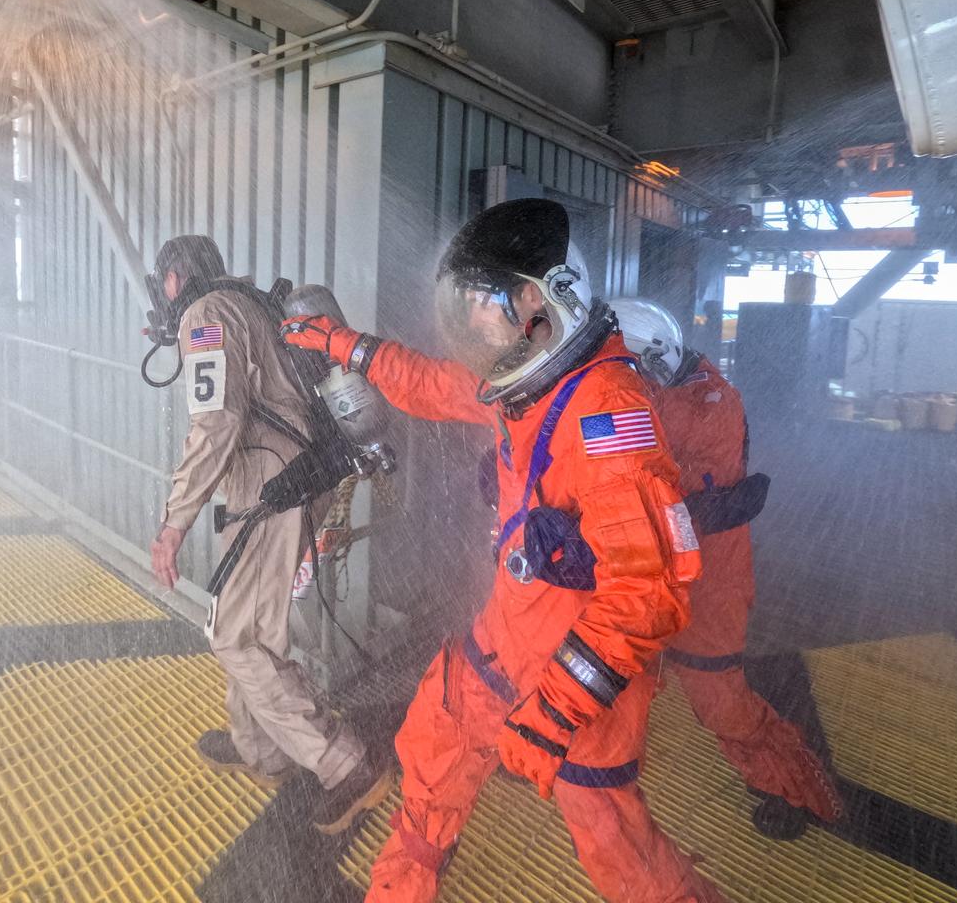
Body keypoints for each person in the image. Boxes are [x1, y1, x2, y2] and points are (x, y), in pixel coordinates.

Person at [283, 200, 725, 903]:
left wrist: (555, 709)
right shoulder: (524, 387)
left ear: (538, 300)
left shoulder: (608, 415)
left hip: (582, 679)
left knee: (611, 835)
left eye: (479, 312)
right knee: (434, 747)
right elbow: (428, 383)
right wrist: (340, 344)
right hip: (507, 643)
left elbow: (648, 593)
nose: (470, 332)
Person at [148, 235, 390, 834]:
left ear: (176, 279)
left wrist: (173, 523)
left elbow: (217, 422)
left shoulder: (206, 315)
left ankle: (346, 764)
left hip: (269, 486)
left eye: (165, 285)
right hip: (283, 478)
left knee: (239, 639)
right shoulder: (247, 303)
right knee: (240, 620)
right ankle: (262, 747)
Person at [612, 298, 844, 838]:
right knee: (612, 690)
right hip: (642, 575)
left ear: (651, 360)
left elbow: (679, 491)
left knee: (720, 702)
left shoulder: (712, 401)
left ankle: (788, 784)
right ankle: (602, 788)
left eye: (622, 367)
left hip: (707, 583)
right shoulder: (639, 392)